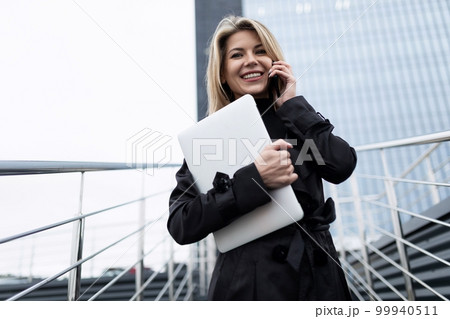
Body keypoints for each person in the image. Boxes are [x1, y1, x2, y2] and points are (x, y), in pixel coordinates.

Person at [167, 15, 357, 301]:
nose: (251, 60)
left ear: (275, 61)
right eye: (237, 55)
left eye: (260, 51)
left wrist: (293, 106)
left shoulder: (297, 119)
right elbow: (181, 223)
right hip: (251, 285)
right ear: (222, 73)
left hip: (319, 278)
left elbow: (341, 164)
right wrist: (255, 180)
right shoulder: (209, 138)